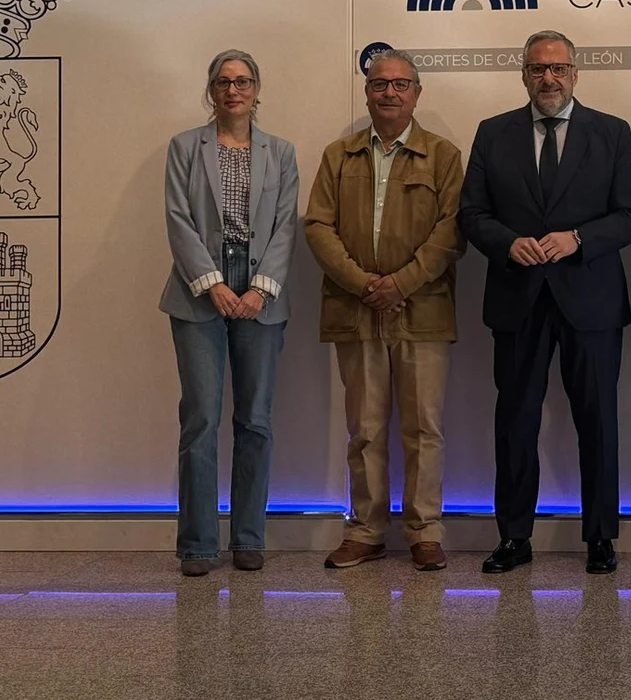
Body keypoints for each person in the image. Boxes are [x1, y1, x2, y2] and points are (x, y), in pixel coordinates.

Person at [458, 29, 631, 575]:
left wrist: (579, 240)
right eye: (538, 69)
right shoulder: (493, 134)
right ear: (524, 74)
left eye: (559, 68)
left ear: (575, 74)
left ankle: (601, 539)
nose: (549, 78)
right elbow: (473, 214)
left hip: (589, 299)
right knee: (515, 422)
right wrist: (505, 243)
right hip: (518, 297)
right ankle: (514, 537)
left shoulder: (612, 133)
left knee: (598, 422)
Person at [304, 49, 466, 573]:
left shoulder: (443, 156)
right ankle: (366, 530)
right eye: (379, 84)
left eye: (400, 84)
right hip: (356, 309)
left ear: (417, 93)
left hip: (423, 308)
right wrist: (361, 282)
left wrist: (401, 282)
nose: (389, 92)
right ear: (368, 92)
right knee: (366, 429)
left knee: (424, 428)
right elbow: (318, 228)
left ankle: (424, 531)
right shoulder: (338, 155)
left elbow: (452, 231)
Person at [158, 50, 301, 577]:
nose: (233, 89)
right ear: (211, 91)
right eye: (223, 81)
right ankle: (197, 544)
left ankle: (247, 537)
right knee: (200, 419)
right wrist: (212, 283)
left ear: (257, 90)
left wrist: (260, 289)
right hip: (198, 293)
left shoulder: (281, 153)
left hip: (262, 294)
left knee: (255, 420)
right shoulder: (184, 148)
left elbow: (286, 226)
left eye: (242, 81)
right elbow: (178, 220)